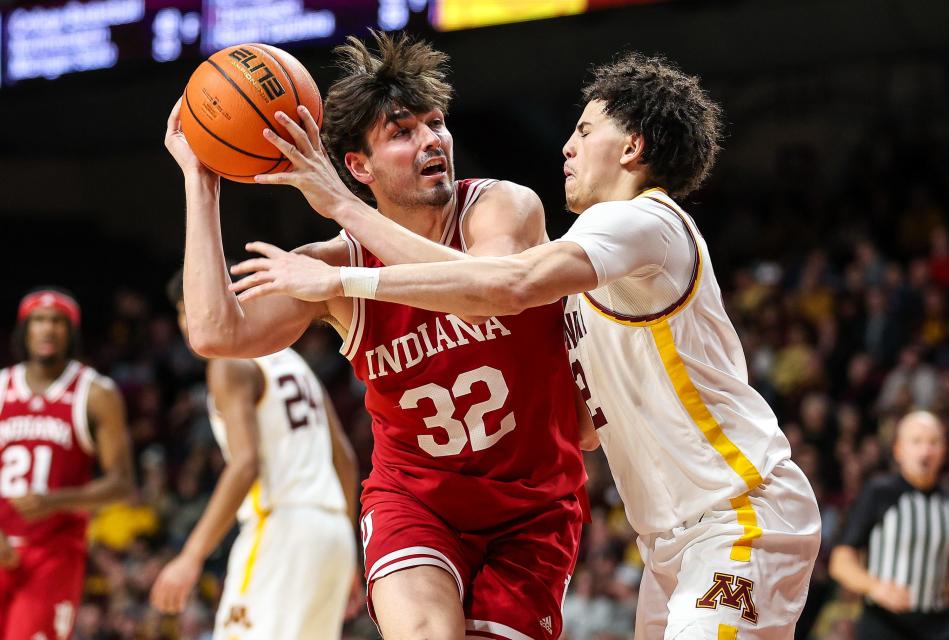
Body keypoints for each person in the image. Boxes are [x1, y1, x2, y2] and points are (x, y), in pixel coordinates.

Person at [231, 53, 822, 639]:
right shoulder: (593, 270)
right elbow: (585, 423)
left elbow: (503, 284)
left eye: (585, 130)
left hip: (737, 515)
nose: (566, 146)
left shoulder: (640, 221)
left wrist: (341, 239)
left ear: (632, 148)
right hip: (669, 541)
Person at [167, 32, 588, 640]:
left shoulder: (502, 209)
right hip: (416, 500)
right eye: (402, 132)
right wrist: (201, 183)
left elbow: (484, 293)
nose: (432, 140)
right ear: (360, 165)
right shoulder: (332, 265)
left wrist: (340, 213)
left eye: (435, 123)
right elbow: (213, 332)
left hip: (532, 508)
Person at [151, 273, 358, 639]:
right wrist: (346, 545)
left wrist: (192, 555)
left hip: (282, 528)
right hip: (333, 531)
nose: (188, 321)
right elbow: (343, 457)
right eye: (183, 310)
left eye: (196, 304)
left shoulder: (229, 362)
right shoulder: (293, 361)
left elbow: (246, 465)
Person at [0, 288, 134, 640]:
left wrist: (52, 501)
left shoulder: (96, 393)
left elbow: (121, 484)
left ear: (72, 332)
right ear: (24, 330)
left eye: (58, 322)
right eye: (39, 321)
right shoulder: (1, 388)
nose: (48, 329)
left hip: (54, 554)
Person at [829, 411, 949, 640]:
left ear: (945, 450)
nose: (926, 450)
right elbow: (840, 561)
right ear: (899, 450)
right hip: (883, 625)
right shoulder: (878, 493)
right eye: (916, 441)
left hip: (939, 627)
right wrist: (875, 587)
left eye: (934, 442)